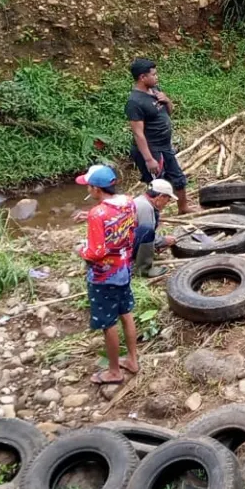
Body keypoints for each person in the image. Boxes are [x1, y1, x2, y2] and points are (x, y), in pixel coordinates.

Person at [75, 165, 140, 385]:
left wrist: (81, 250)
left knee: (108, 323)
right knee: (126, 312)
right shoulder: (128, 202)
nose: (89, 190)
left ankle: (114, 372)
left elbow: (97, 252)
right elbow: (126, 227)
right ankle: (132, 360)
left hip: (104, 276)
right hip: (124, 268)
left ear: (96, 189)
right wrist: (90, 218)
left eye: (89, 186)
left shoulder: (98, 213)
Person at [126, 58, 192, 216]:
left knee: (178, 178)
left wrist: (167, 100)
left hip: (165, 145)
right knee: (157, 185)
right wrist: (149, 159)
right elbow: (137, 133)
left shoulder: (155, 90)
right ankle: (152, 217)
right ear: (143, 77)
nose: (157, 77)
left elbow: (168, 112)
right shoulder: (134, 102)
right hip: (151, 148)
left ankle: (183, 208)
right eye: (154, 75)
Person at [131, 178, 176, 278]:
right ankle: (144, 270)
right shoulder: (145, 207)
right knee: (147, 231)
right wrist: (162, 241)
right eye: (167, 199)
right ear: (160, 196)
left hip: (123, 240)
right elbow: (146, 234)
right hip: (124, 244)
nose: (167, 203)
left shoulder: (140, 200)